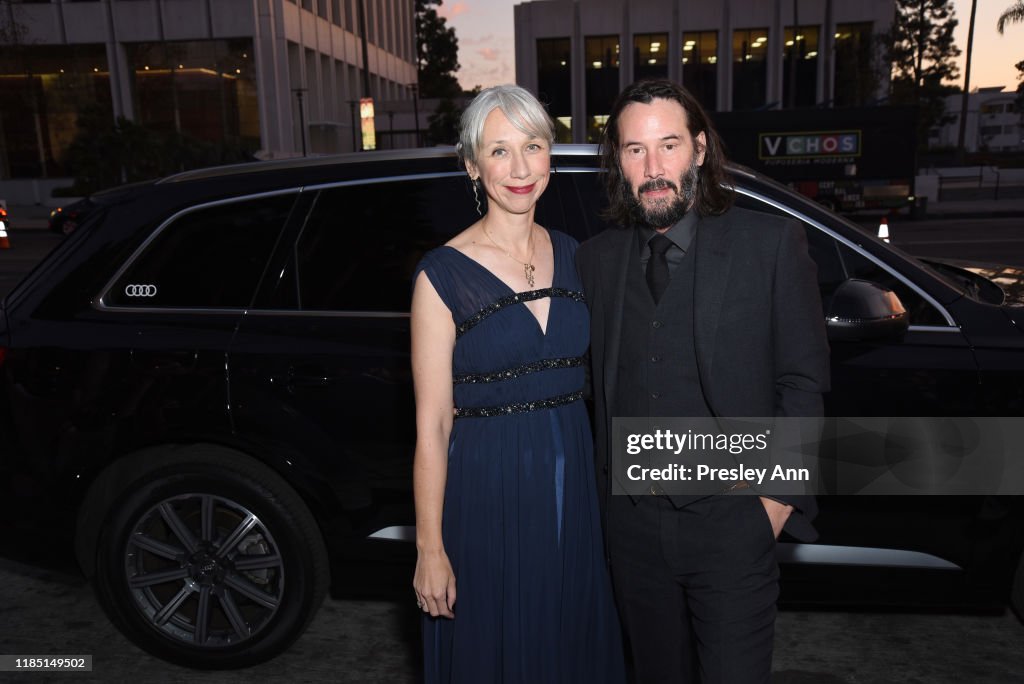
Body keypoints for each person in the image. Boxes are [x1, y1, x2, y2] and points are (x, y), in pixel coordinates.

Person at [576, 78, 830, 683]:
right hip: (633, 533)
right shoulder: (597, 260)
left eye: (669, 144)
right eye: (635, 150)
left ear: (700, 149)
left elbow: (802, 380)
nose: (654, 165)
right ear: (619, 162)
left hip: (733, 524)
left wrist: (772, 505)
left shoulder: (768, 244)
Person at [410, 84, 625, 684]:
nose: (520, 167)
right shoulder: (440, 275)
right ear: (472, 165)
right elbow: (431, 424)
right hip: (488, 489)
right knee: (498, 645)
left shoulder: (575, 254)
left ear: (549, 156)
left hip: (574, 484)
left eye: (532, 145)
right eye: (499, 151)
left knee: (570, 637)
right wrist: (430, 549)